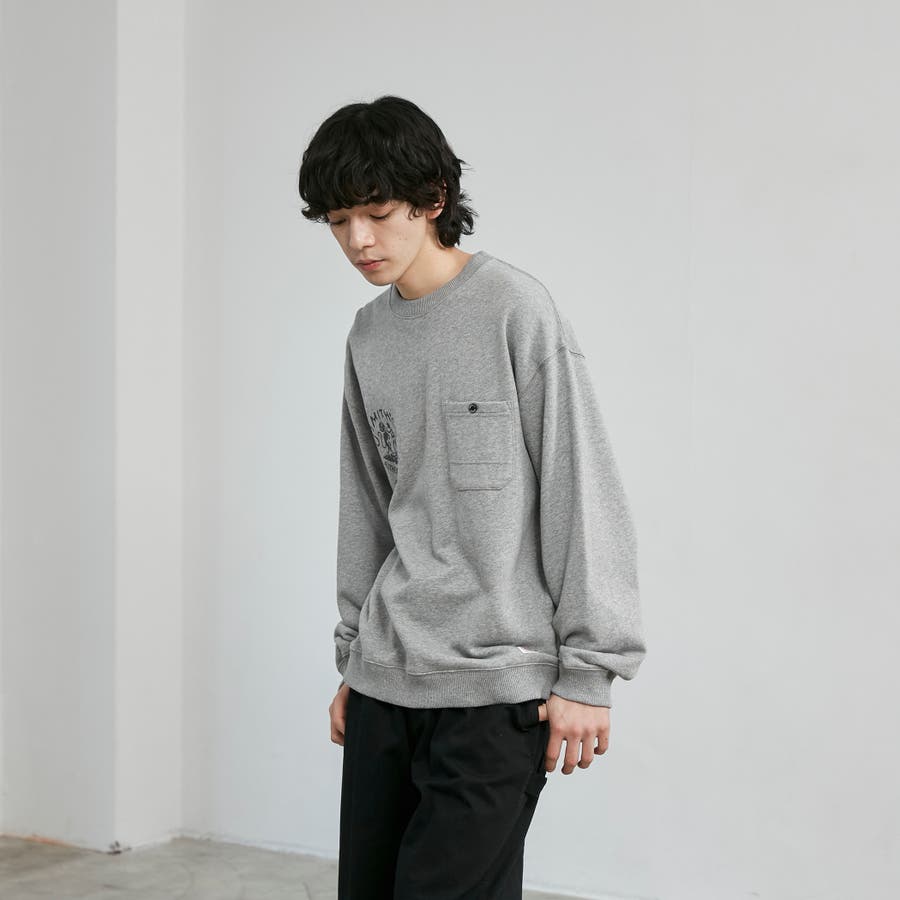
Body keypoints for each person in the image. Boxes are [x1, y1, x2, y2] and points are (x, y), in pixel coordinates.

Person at [297, 95, 646, 900]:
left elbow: (580, 487)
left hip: (496, 690)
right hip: (386, 683)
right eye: (339, 221)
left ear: (433, 199)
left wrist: (589, 671)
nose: (358, 240)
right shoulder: (368, 334)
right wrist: (355, 659)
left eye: (377, 213)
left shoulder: (513, 309)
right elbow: (368, 505)